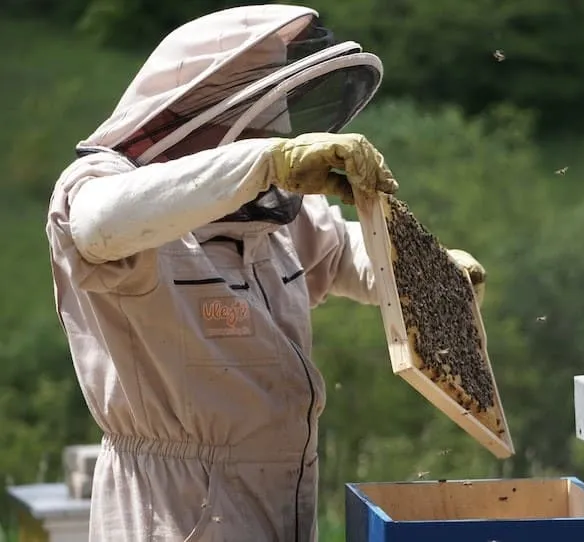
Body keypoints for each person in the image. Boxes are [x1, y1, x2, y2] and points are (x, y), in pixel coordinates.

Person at [45, 4, 486, 541]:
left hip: (281, 501)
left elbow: (347, 255)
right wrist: (265, 162)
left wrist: (430, 271)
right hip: (171, 512)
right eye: (254, 136)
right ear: (198, 122)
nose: (269, 161)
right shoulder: (98, 188)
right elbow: (100, 224)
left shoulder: (270, 220)